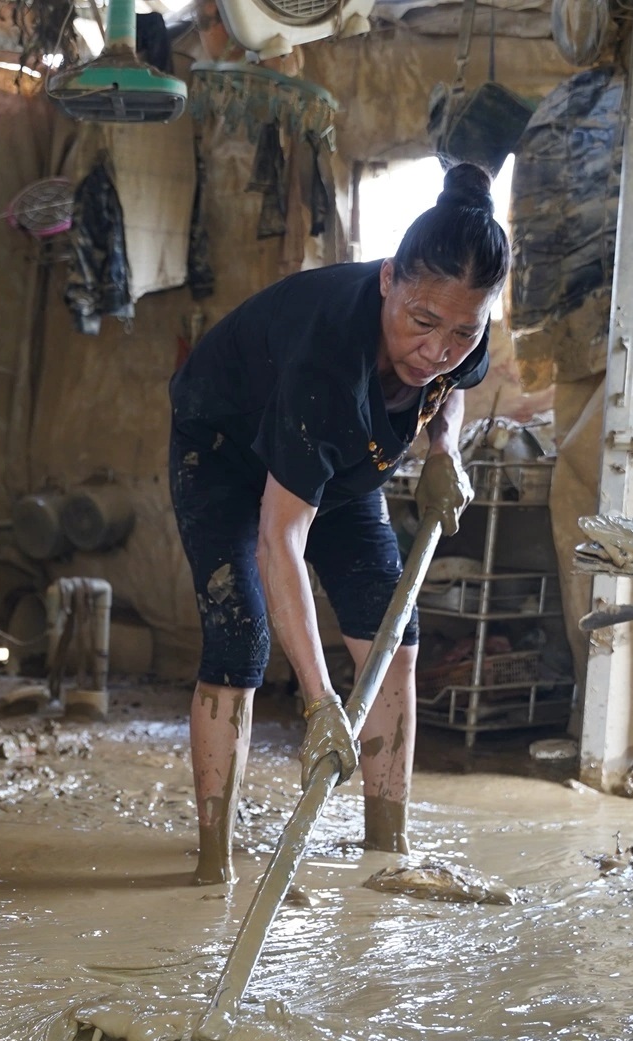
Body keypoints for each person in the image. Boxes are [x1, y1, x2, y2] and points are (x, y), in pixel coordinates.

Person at [167, 162, 510, 883]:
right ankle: (212, 867)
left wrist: (445, 447)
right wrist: (321, 702)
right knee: (241, 639)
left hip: (346, 465)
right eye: (423, 324)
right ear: (389, 279)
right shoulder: (324, 364)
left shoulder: (457, 338)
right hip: (228, 448)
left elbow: (451, 385)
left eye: (461, 331)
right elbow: (280, 539)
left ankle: (388, 848)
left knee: (394, 634)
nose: (438, 348)